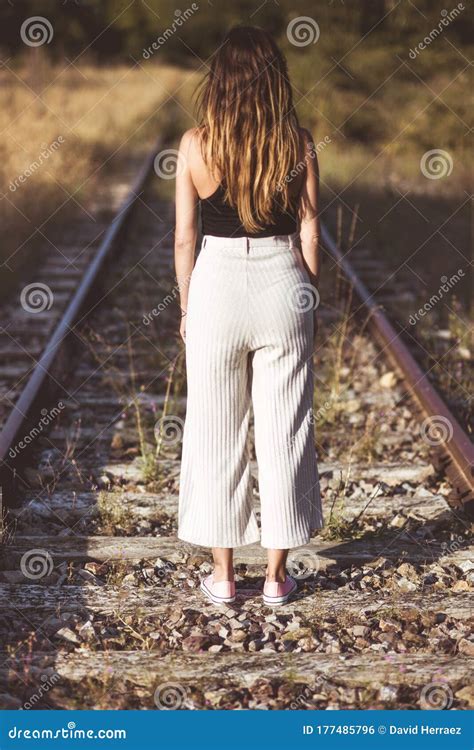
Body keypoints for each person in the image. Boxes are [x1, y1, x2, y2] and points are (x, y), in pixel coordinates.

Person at [174, 26, 323, 607]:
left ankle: (224, 576)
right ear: (274, 82)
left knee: (216, 432)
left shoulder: (194, 145)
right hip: (282, 282)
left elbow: (185, 239)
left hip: (216, 286)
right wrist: (309, 297)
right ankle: (276, 579)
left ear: (221, 83)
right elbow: (310, 229)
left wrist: (187, 306)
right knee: (285, 429)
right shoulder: (299, 143)